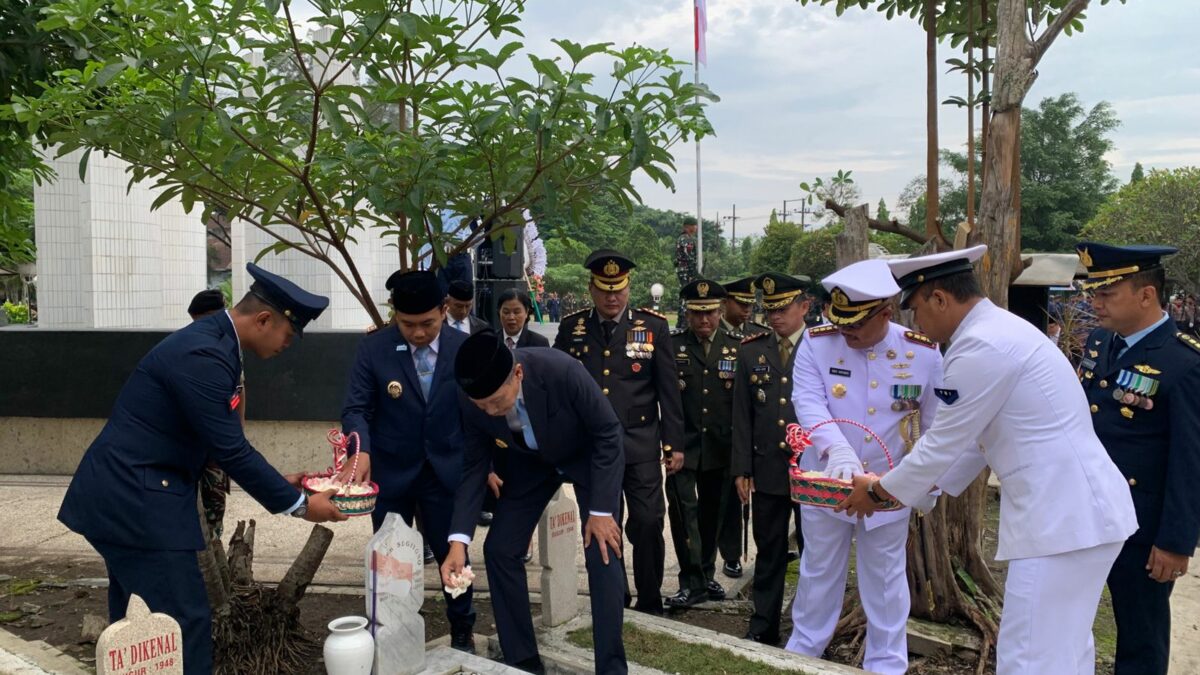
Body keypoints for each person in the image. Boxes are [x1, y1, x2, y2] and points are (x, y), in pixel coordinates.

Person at [839, 244, 1138, 675]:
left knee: (1029, 657)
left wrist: (879, 493)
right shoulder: (1000, 331)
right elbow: (973, 444)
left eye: (916, 309)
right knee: (1064, 653)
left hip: (1060, 522)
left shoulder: (981, 346)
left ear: (940, 298)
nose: (916, 323)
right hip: (1077, 517)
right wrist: (915, 492)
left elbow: (943, 443)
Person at [58, 263, 347, 673]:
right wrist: (299, 504)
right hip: (138, 501)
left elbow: (210, 438)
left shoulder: (216, 344)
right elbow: (231, 448)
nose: (289, 344)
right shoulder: (205, 354)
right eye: (289, 333)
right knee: (182, 622)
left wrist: (282, 482)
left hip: (130, 494)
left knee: (136, 624)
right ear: (264, 319)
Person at [785, 259, 944, 674]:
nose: (846, 332)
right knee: (818, 571)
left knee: (886, 578)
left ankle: (886, 664)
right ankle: (802, 655)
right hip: (828, 479)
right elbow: (809, 402)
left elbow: (935, 423)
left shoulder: (922, 352)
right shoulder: (817, 343)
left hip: (889, 483)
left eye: (855, 324)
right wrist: (838, 452)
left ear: (885, 313)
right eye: (840, 322)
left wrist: (926, 481)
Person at [444, 331, 627, 674]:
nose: (490, 411)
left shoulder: (561, 370)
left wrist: (602, 511)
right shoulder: (471, 397)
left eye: (496, 402)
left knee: (602, 551)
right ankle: (523, 660)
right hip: (529, 466)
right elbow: (474, 466)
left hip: (586, 458)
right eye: (482, 406)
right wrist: (458, 542)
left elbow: (608, 432)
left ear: (518, 373)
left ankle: (612, 668)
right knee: (499, 549)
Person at [1075, 242, 1200, 675]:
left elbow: (1190, 462)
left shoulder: (1184, 362)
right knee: (1071, 622)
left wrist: (1176, 543)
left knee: (1140, 636)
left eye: (1107, 294)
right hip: (1087, 513)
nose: (1096, 303)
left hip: (1142, 528)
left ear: (1146, 295)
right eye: (1095, 293)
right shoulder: (1099, 341)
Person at [340, 270, 477, 653]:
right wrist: (360, 450)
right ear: (395, 315)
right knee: (391, 559)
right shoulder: (375, 348)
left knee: (453, 554)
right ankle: (394, 634)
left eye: (427, 324)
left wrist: (486, 467)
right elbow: (356, 408)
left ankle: (462, 627)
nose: (418, 333)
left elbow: (478, 413)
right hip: (392, 472)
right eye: (407, 324)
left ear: (444, 310)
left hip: (445, 471)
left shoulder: (463, 347)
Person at [553, 249, 685, 615]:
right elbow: (558, 386)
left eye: (619, 289)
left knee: (647, 521)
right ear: (591, 288)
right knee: (601, 524)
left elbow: (668, 390)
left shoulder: (653, 326)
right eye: (604, 289)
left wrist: (674, 443)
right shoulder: (573, 327)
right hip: (593, 449)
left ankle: (650, 599)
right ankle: (614, 598)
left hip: (640, 443)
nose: (612, 297)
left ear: (628, 287)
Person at [731, 272, 811, 646]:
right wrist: (742, 468)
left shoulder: (823, 346)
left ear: (804, 307)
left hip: (813, 469)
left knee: (816, 552)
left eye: (783, 309)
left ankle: (811, 627)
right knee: (769, 550)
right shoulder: (752, 350)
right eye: (770, 309)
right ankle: (764, 624)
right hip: (767, 467)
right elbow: (742, 415)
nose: (775, 316)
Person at [664, 279, 741, 608]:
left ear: (720, 311)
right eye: (697, 313)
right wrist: (669, 444)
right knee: (684, 513)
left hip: (721, 447)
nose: (704, 319)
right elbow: (666, 399)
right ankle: (691, 579)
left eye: (709, 312)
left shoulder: (738, 347)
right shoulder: (673, 346)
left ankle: (706, 574)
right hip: (682, 446)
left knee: (713, 515)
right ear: (688, 314)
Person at [187, 288, 238, 542]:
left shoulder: (229, 348)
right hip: (190, 446)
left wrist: (238, 433)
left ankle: (214, 544)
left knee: (214, 506)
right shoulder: (190, 346)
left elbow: (239, 393)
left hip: (216, 449)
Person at [675, 217, 699, 325]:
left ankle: (681, 319)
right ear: (688, 226)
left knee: (684, 294)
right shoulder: (686, 239)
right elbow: (688, 256)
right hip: (687, 271)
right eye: (694, 225)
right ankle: (684, 319)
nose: (696, 228)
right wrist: (694, 272)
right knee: (686, 294)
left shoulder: (681, 238)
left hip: (683, 270)